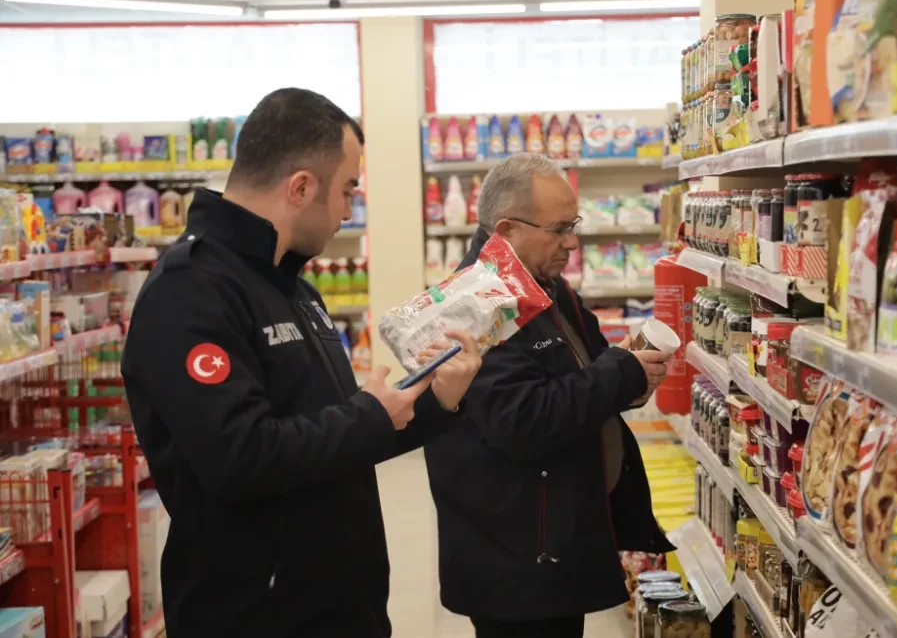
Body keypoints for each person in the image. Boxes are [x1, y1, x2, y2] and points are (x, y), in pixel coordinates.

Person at [121, 88, 482, 638]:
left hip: (335, 608)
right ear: (301, 187)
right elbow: (239, 457)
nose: (349, 209)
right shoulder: (191, 291)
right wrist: (368, 414)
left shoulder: (293, 287)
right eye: (347, 190)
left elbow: (331, 437)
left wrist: (438, 402)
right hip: (256, 615)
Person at [424, 153, 676, 638]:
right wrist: (618, 376)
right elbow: (520, 420)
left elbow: (590, 365)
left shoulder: (545, 285)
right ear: (506, 230)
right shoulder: (477, 303)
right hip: (516, 561)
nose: (573, 242)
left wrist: (632, 376)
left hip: (549, 544)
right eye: (560, 229)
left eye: (574, 224)